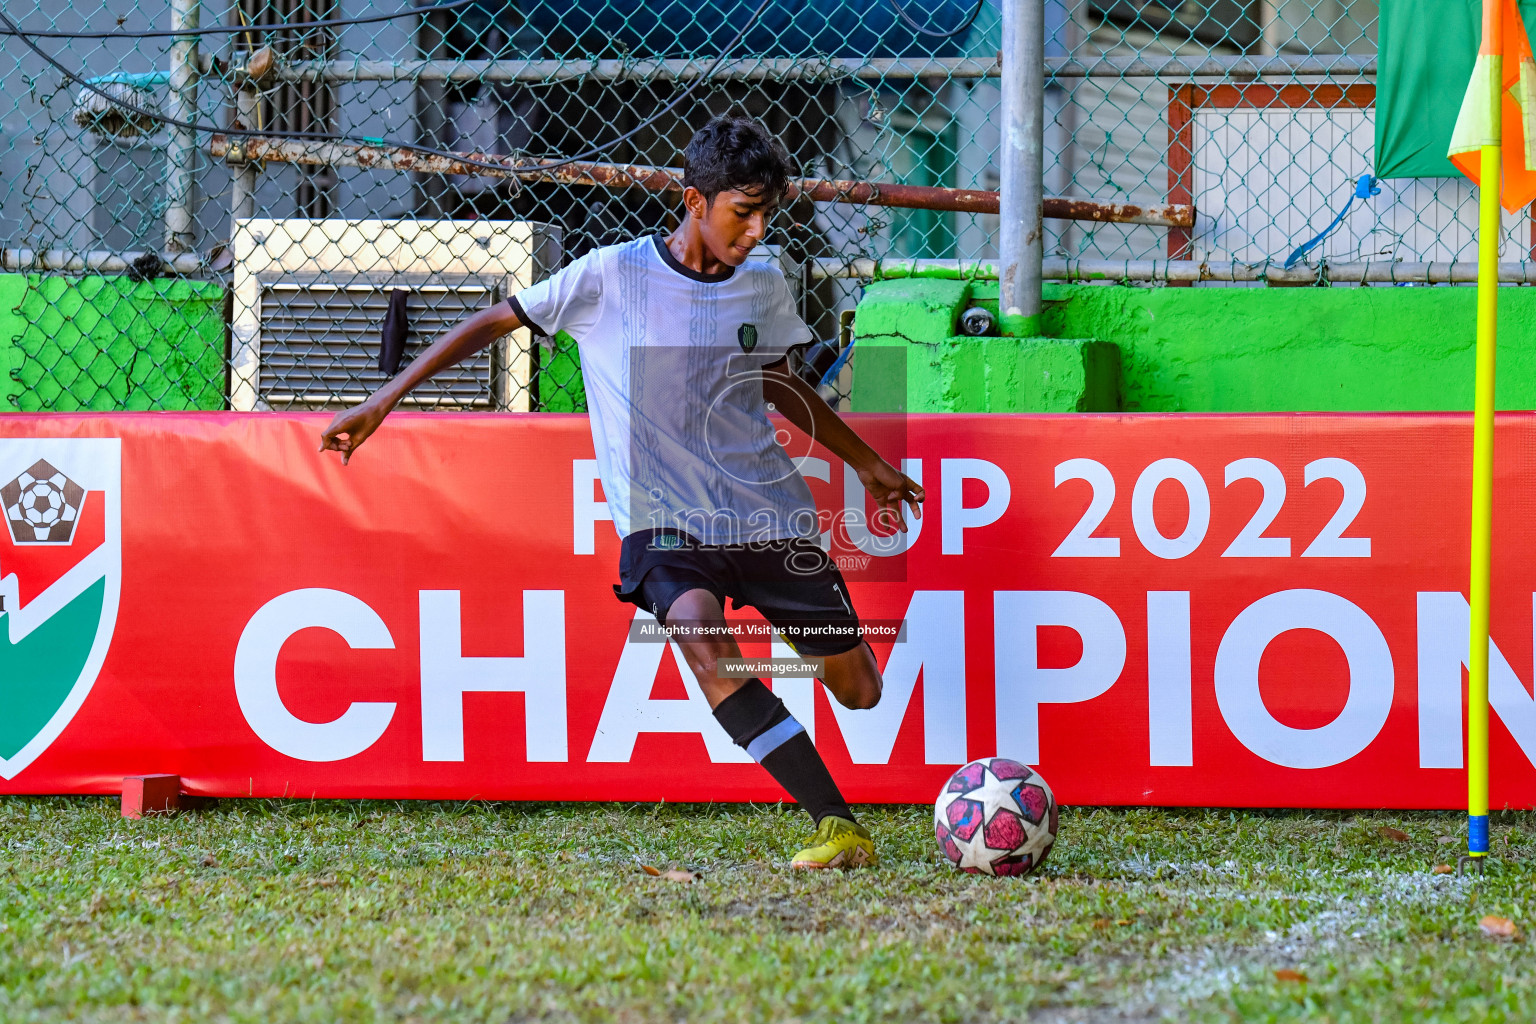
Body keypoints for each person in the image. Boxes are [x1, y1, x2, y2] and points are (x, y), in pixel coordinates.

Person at [320, 113, 924, 869]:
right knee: (701, 640)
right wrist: (385, 400)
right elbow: (494, 319)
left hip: (766, 512)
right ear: (694, 200)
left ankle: (779, 690)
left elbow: (776, 378)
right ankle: (836, 824)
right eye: (744, 211)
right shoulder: (610, 276)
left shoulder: (763, 282)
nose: (757, 229)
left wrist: (866, 462)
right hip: (665, 524)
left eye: (769, 213)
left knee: (858, 688)